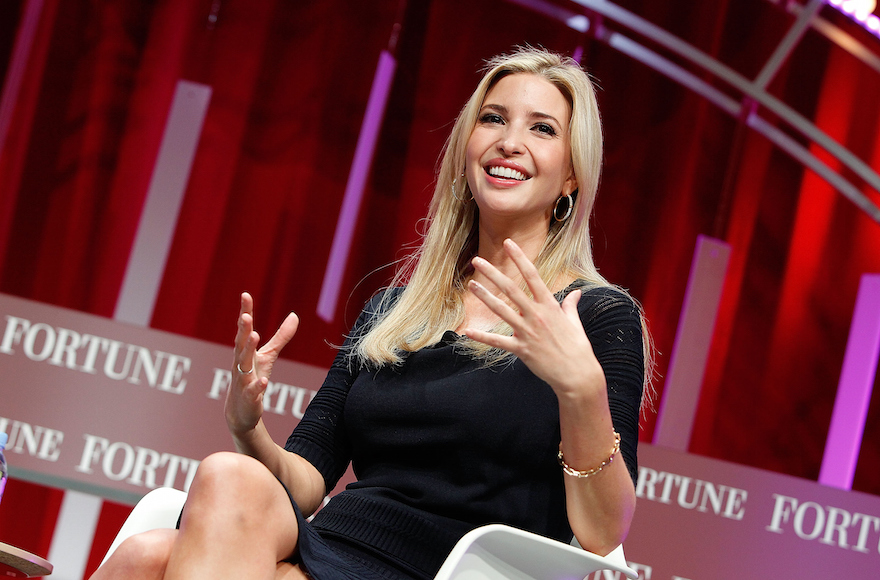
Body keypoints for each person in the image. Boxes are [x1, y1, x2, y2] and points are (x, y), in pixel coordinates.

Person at [91, 46, 650, 580]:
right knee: (214, 485)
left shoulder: (596, 317)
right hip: (337, 544)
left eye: (542, 128)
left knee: (151, 560)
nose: (509, 142)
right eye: (493, 119)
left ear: (572, 175)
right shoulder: (397, 311)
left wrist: (582, 390)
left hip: (444, 569)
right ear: (466, 145)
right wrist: (249, 428)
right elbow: (308, 482)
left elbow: (602, 533)